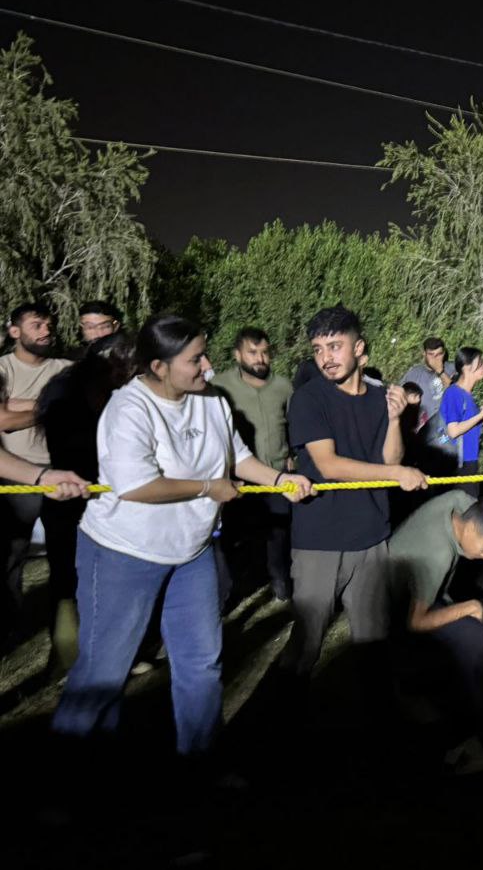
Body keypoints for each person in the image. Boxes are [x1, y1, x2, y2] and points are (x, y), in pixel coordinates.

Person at [51, 315, 312, 757]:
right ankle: (73, 766)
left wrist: (279, 481)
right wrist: (209, 487)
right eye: (195, 359)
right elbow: (135, 486)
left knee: (201, 664)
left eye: (204, 355)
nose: (207, 366)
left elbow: (237, 456)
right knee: (104, 672)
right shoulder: (129, 408)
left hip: (191, 553)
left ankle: (200, 759)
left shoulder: (210, 400)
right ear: (158, 367)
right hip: (123, 553)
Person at [277, 306, 429, 695]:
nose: (325, 357)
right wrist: (396, 475)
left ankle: (373, 720)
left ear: (359, 348)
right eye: (318, 349)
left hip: (372, 538)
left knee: (373, 643)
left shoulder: (379, 398)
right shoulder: (308, 399)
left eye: (334, 346)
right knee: (306, 646)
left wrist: (394, 420)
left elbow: (390, 460)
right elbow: (327, 465)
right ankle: (275, 718)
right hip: (320, 541)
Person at [388, 465, 483, 775]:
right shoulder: (436, 554)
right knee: (473, 639)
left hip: (424, 593)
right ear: (471, 529)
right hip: (397, 609)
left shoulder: (462, 505)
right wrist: (469, 607)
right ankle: (470, 741)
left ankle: (466, 711)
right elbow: (416, 621)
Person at [35, 332, 134, 673]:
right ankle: (68, 654)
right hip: (70, 497)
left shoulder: (116, 394)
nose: (127, 374)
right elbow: (74, 450)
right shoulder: (65, 394)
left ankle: (116, 651)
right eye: (123, 366)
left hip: (107, 499)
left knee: (112, 578)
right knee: (67, 580)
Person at [1, 302, 72, 648]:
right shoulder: (2, 368)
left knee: (67, 558)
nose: (46, 331)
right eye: (37, 325)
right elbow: (2, 420)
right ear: (15, 331)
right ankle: (9, 629)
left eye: (48, 325)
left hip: (64, 476)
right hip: (13, 480)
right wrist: (49, 405)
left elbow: (79, 407)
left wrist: (17, 404)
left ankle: (66, 630)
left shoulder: (66, 369)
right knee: (10, 559)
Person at [210, 326, 295, 604]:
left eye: (265, 352)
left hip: (278, 475)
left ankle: (280, 582)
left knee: (279, 535)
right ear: (237, 355)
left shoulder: (283, 387)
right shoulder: (219, 387)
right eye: (252, 352)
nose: (260, 359)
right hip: (240, 479)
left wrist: (291, 454)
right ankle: (235, 588)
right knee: (239, 536)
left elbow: (291, 424)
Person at [439, 348, 483, 498]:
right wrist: (482, 414)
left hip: (470, 462)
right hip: (458, 465)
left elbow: (466, 424)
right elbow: (454, 431)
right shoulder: (453, 393)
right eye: (481, 363)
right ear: (466, 368)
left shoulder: (467, 395)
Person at [400, 337, 456, 475]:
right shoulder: (414, 373)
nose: (435, 358)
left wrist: (440, 371)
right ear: (424, 354)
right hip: (421, 436)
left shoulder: (452, 369)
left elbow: (456, 395)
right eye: (431, 355)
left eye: (439, 354)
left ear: (444, 353)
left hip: (446, 436)